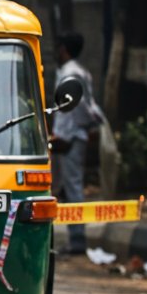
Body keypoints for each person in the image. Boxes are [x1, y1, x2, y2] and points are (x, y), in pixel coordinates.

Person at [51, 31, 101, 254]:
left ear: (65, 50)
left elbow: (75, 108)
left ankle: (78, 239)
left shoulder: (71, 73)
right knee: (63, 186)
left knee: (72, 186)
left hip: (70, 136)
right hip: (69, 135)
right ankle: (72, 236)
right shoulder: (76, 71)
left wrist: (66, 135)